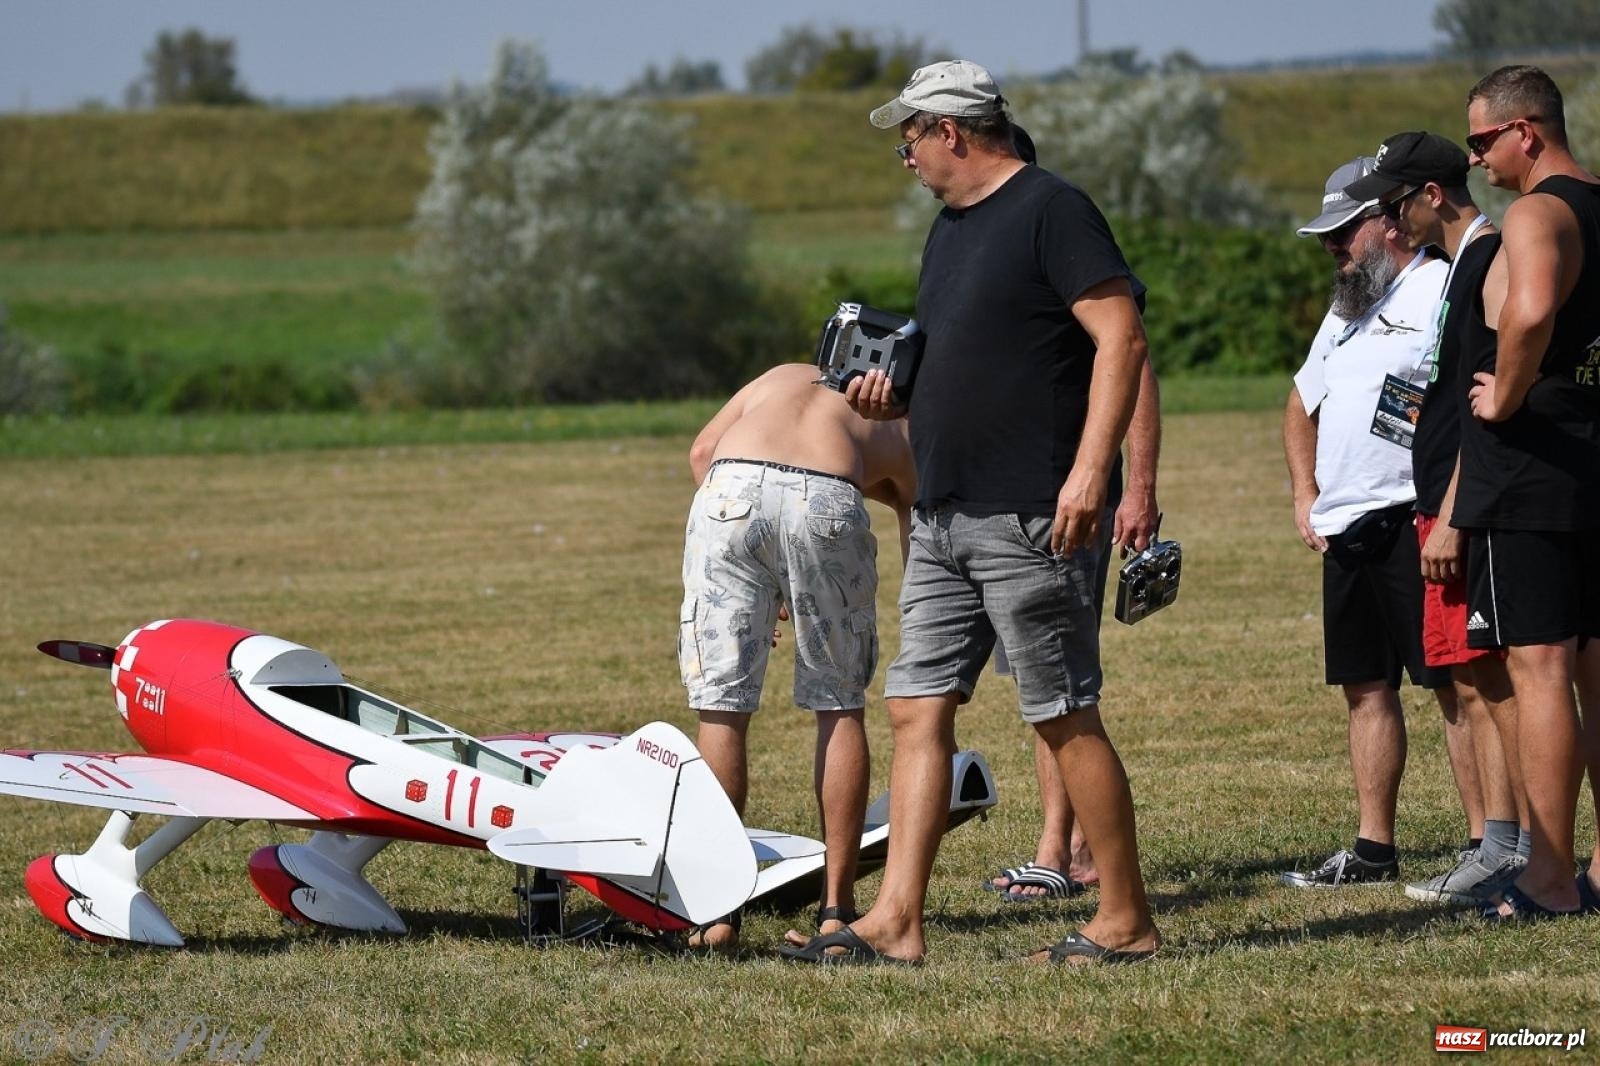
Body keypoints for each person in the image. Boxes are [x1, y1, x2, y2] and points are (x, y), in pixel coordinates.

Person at [785, 59, 1159, 965]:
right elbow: (969, 363)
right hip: (944, 517)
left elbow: (1123, 338)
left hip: (1033, 510)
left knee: (1061, 714)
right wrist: (891, 405)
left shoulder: (1050, 209)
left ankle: (1126, 920)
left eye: (910, 136)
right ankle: (898, 922)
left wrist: (1090, 475)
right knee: (917, 706)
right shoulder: (949, 230)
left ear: (951, 130)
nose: (904, 155)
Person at [1343, 132, 1528, 905]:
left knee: (1493, 682)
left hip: (1467, 511)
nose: (1390, 220)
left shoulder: (1486, 259)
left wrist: (1453, 511)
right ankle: (1498, 844)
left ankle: (1514, 847)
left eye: (1395, 202)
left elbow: (1491, 404)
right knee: (1473, 679)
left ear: (1430, 194)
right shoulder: (1460, 267)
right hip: (1440, 508)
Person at [984, 124, 1165, 904]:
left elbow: (1136, 364)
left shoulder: (1062, 237)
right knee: (1044, 685)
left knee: (1055, 687)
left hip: (1064, 500)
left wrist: (1138, 488)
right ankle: (1068, 845)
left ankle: (1059, 852)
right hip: (1007, 501)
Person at [678, 362, 916, 951]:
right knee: (839, 704)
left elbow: (702, 450)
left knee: (722, 708)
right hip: (826, 496)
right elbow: (917, 510)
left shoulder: (779, 374)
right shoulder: (899, 410)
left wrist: (769, 577)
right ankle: (837, 911)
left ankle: (717, 914)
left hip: (728, 490)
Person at [1280, 157, 1466, 889]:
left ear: (1387, 222)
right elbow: (1301, 403)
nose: (1332, 249)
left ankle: (1488, 844)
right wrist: (1305, 492)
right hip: (1347, 522)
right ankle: (1373, 850)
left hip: (1417, 517)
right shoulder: (1347, 307)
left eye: (1342, 234)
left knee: (1455, 687)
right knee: (1365, 687)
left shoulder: (1442, 284)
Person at [1454, 65, 1600, 919]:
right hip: (1590, 455)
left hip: (1535, 465)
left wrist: (1506, 391)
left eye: (1482, 141)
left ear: (1527, 132)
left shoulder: (1538, 212)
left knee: (1538, 665)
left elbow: (1533, 309)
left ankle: (1547, 876)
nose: (1477, 161)